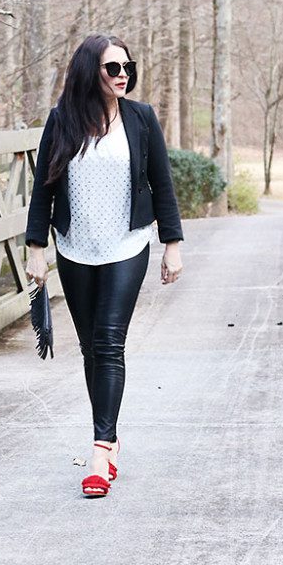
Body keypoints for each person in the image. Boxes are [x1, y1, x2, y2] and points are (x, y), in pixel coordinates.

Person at [25, 33, 184, 497]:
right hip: (75, 249)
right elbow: (43, 189)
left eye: (126, 67)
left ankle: (98, 453)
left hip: (127, 245)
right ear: (88, 72)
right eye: (112, 68)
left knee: (110, 343)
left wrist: (172, 243)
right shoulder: (62, 121)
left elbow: (162, 184)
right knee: (91, 349)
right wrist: (37, 248)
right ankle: (110, 440)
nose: (122, 76)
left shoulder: (140, 119)